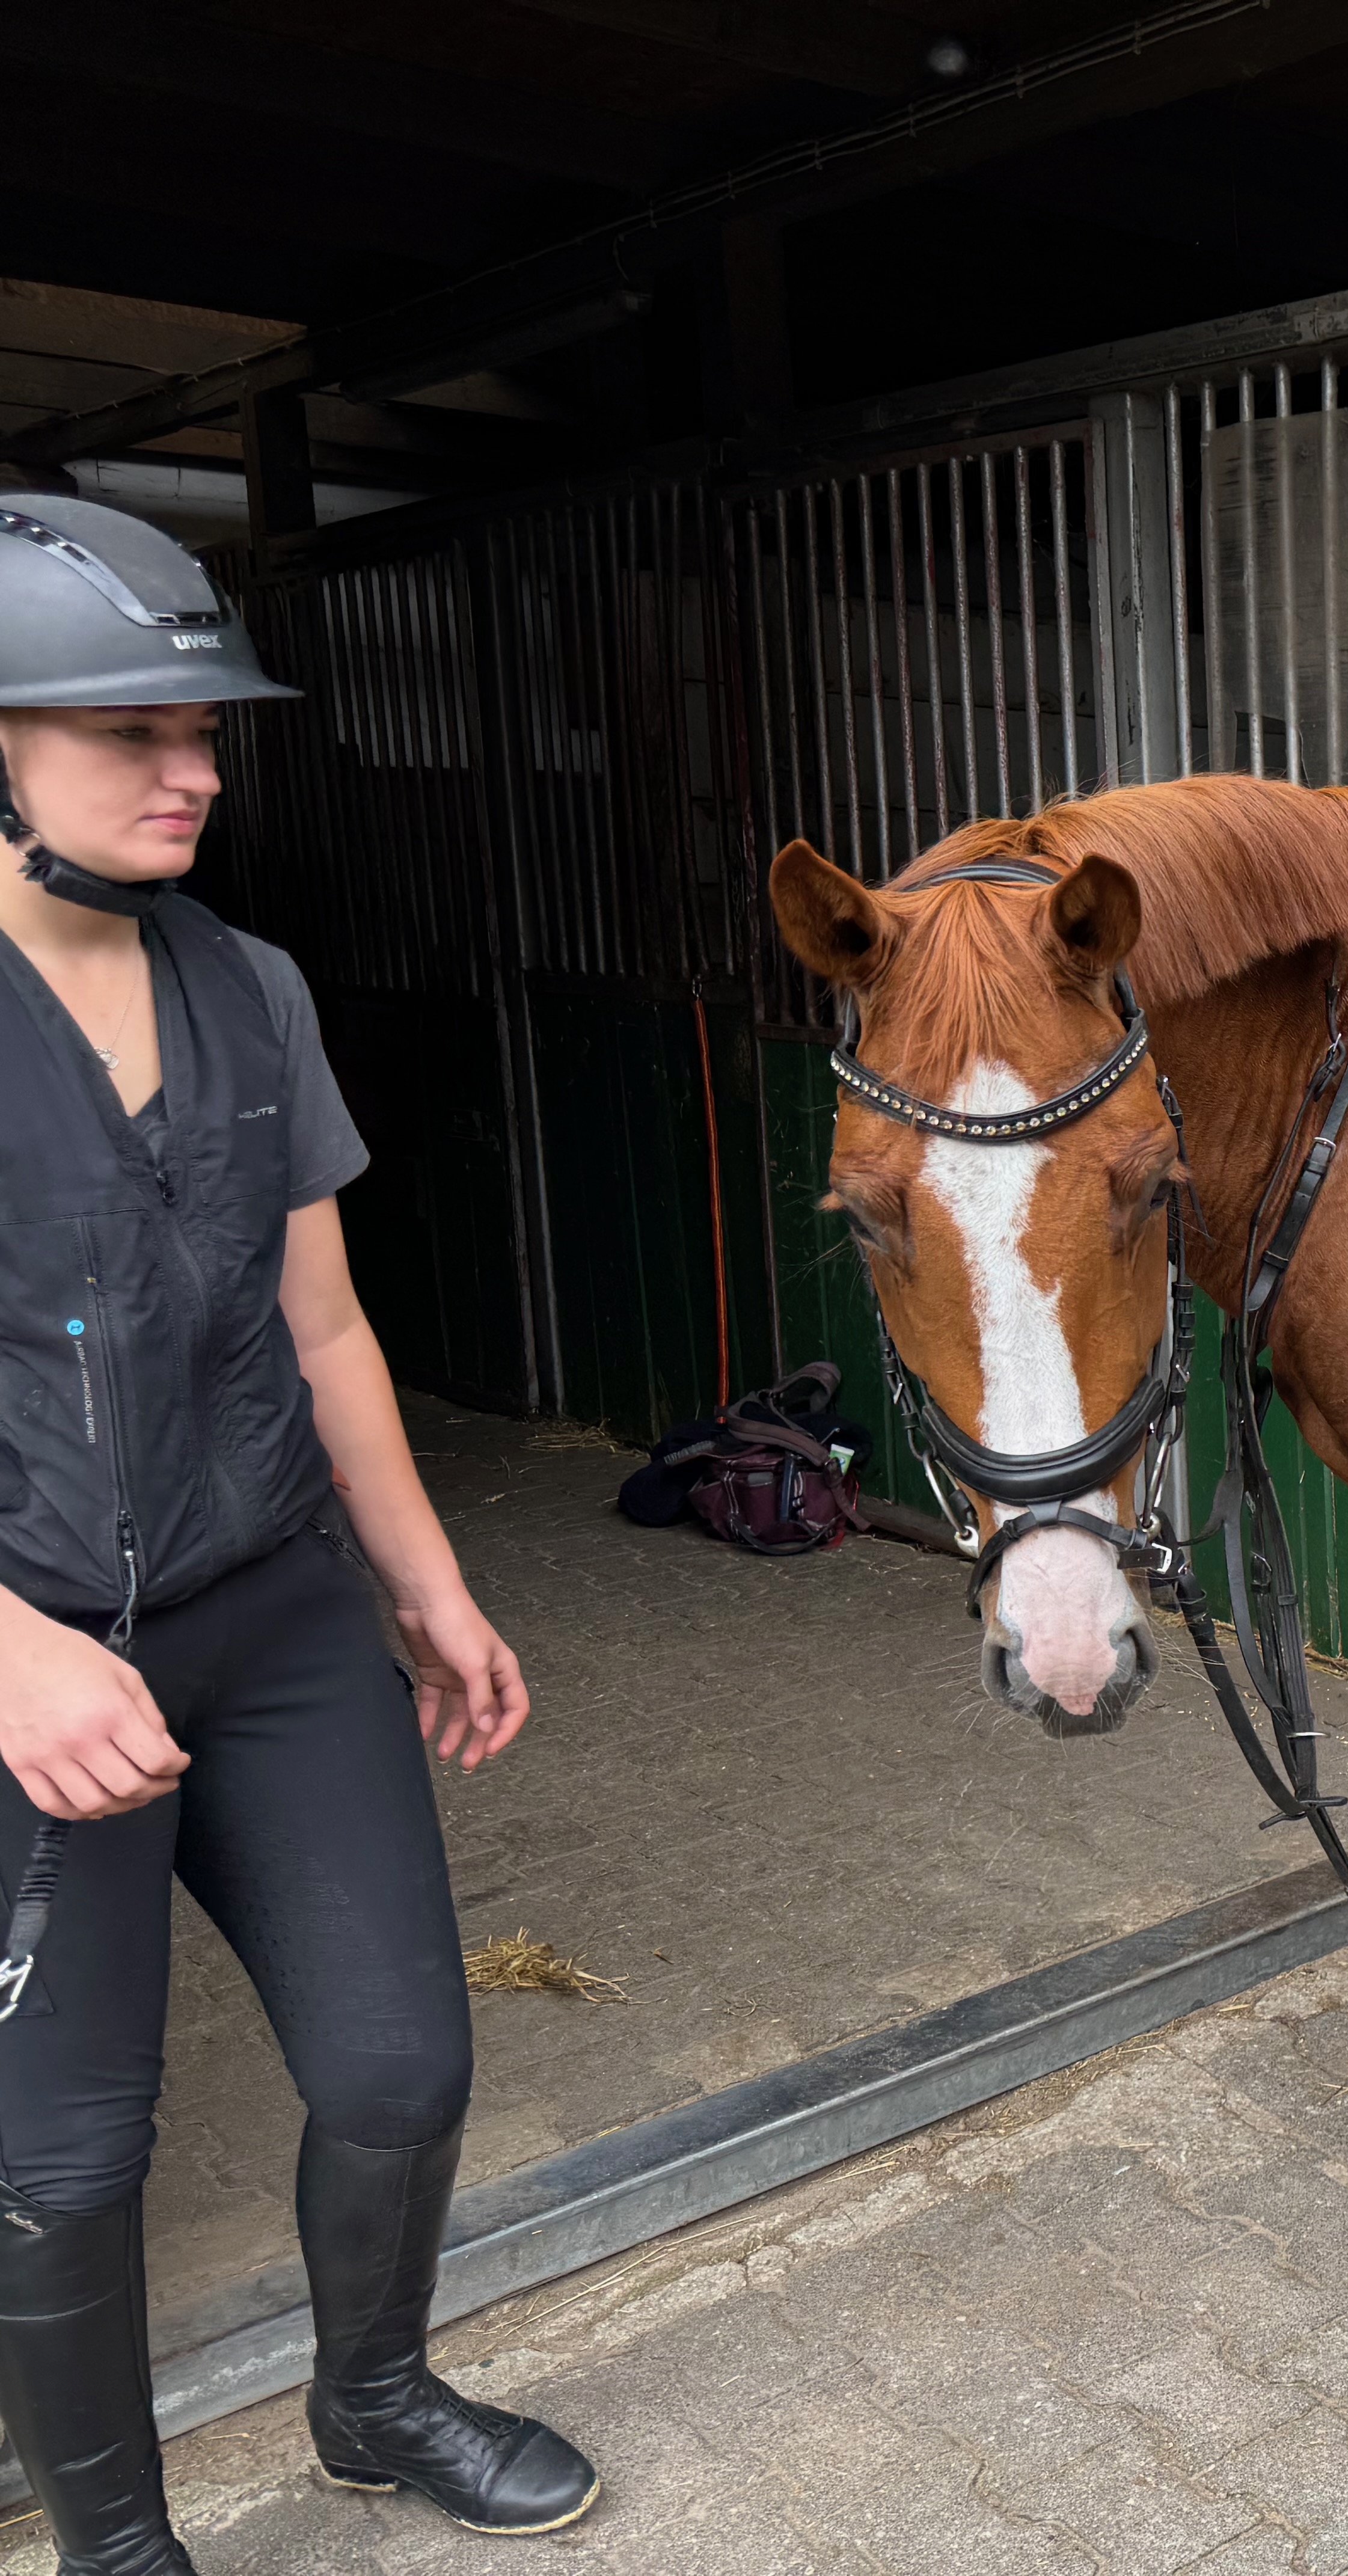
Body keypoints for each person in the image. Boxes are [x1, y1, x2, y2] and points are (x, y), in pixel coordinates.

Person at [0, 497, 596, 2571]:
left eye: (203, 731)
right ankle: (119, 2547)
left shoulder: (249, 987)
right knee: (68, 2159)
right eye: (132, 731)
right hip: (35, 1667)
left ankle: (376, 2394)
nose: (195, 771)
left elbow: (324, 1325)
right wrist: (10, 1650)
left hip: (272, 1616)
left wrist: (427, 1583)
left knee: (401, 2061)